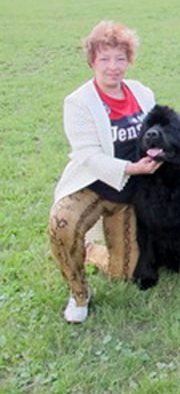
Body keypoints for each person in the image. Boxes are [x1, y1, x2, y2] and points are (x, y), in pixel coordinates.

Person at [48, 21, 161, 323]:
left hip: (129, 195)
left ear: (129, 60)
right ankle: (79, 294)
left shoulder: (142, 93)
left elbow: (157, 133)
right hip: (94, 187)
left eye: (120, 58)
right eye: (105, 59)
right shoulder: (79, 102)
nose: (114, 67)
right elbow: (86, 154)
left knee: (123, 272)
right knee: (62, 223)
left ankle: (90, 251)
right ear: (92, 61)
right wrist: (131, 167)